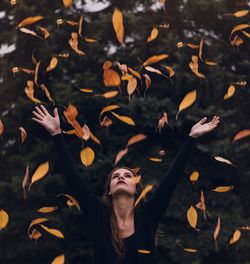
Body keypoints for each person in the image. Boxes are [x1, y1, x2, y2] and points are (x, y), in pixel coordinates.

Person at [32, 104, 220, 264]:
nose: (121, 177)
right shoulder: (98, 216)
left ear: (136, 189)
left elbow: (171, 179)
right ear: (109, 191)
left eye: (128, 176)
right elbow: (73, 179)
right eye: (116, 176)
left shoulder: (148, 215)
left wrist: (191, 138)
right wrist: (57, 134)